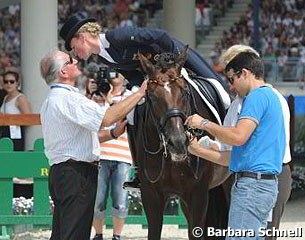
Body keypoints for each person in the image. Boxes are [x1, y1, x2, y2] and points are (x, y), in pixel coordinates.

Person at [59, 12, 228, 190]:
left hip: (176, 63)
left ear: (82, 37)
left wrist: (168, 65)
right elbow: (131, 74)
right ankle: (140, 169)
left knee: (219, 91)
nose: (74, 53)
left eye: (73, 46)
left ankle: (226, 137)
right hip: (154, 80)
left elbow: (161, 37)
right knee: (131, 113)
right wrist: (140, 92)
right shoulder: (102, 56)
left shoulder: (116, 37)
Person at [40, 50, 147, 240]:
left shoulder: (51, 100)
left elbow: (79, 139)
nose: (76, 62)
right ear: (63, 72)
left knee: (62, 232)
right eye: (70, 61)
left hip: (62, 172)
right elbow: (107, 118)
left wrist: (113, 134)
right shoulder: (69, 98)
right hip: (76, 174)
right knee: (75, 234)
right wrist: (139, 93)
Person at [185, 44, 286, 239]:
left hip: (251, 187)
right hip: (262, 184)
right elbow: (234, 158)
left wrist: (204, 123)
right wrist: (197, 150)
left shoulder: (256, 97)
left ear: (245, 73)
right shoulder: (272, 97)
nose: (230, 86)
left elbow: (238, 137)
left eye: (231, 79)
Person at [91, 73, 133, 240]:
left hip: (123, 155)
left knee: (120, 199)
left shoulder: (130, 96)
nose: (114, 75)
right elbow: (94, 121)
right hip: (100, 154)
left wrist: (109, 101)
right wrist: (93, 93)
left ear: (124, 77)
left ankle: (117, 235)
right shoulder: (95, 98)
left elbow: (122, 118)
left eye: (118, 72)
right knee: (97, 199)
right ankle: (98, 234)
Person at [0, 70, 32, 151]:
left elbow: (29, 119)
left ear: (17, 83)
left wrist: (11, 119)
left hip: (16, 133)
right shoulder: (6, 97)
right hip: (5, 131)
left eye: (12, 81)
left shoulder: (20, 98)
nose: (9, 84)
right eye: (6, 81)